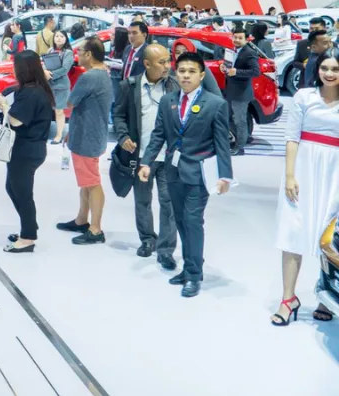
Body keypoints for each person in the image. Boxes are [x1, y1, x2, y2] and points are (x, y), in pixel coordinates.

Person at [138, 51, 233, 298]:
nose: (186, 76)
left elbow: (222, 143)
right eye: (182, 71)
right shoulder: (168, 101)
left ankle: (193, 274)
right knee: (179, 221)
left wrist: (225, 176)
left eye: (192, 71)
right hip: (173, 171)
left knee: (193, 221)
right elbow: (158, 135)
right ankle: (190, 267)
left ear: (201, 75)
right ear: (175, 73)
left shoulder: (215, 104)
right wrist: (146, 162)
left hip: (199, 174)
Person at [273, 51, 339, 326]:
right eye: (325, 67)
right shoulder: (304, 97)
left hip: (335, 173)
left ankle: (326, 298)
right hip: (303, 170)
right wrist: (290, 175)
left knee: (330, 236)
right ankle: (288, 299)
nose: (330, 73)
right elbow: (292, 137)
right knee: (293, 232)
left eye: (336, 68)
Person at [114, 44, 180, 270]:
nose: (167, 66)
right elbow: (119, 115)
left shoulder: (175, 86)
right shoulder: (129, 86)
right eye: (161, 62)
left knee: (168, 202)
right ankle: (147, 240)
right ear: (147, 64)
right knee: (142, 201)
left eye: (168, 61)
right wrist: (123, 136)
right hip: (141, 158)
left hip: (169, 157)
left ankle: (166, 249)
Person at [0, 51, 55, 253]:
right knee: (13, 188)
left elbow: (16, 120)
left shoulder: (32, 93)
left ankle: (28, 237)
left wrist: (3, 106)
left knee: (22, 192)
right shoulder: (32, 90)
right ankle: (28, 228)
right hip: (26, 148)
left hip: (27, 149)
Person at [58, 36, 113, 245]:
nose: (77, 55)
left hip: (87, 137)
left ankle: (96, 229)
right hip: (89, 133)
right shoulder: (102, 73)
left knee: (92, 183)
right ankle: (82, 220)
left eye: (79, 52)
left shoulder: (89, 77)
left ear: (89, 55)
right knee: (86, 182)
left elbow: (69, 103)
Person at [224, 25, 260, 155]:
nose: (237, 40)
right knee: (229, 119)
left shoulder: (249, 53)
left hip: (241, 93)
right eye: (235, 37)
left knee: (240, 121)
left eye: (240, 38)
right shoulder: (233, 50)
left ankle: (240, 147)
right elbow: (231, 67)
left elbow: (256, 72)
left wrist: (237, 72)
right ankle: (243, 137)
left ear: (246, 39)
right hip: (231, 91)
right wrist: (225, 69)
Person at [46, 29, 74, 144]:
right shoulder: (50, 50)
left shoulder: (68, 52)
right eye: (57, 36)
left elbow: (64, 69)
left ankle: (59, 135)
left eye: (61, 36)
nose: (58, 38)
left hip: (61, 86)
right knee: (48, 110)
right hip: (49, 85)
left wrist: (50, 75)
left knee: (59, 111)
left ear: (66, 38)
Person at [303, 30, 332, 95]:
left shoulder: (314, 58)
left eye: (330, 42)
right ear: (314, 47)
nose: (330, 45)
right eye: (325, 43)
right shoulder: (320, 62)